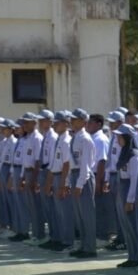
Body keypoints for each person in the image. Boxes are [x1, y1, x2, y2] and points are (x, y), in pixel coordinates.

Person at [67, 108, 98, 259]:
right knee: (79, 215)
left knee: (87, 215)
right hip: (75, 175)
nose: (72, 122)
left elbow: (86, 165)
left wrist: (79, 185)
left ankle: (90, 248)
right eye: (72, 119)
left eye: (75, 119)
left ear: (83, 122)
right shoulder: (75, 137)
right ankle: (83, 245)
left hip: (83, 177)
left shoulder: (85, 139)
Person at [43, 111, 74, 253]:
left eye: (58, 123)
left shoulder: (67, 141)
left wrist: (63, 185)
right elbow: (53, 164)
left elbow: (67, 165)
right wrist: (49, 182)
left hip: (62, 177)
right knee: (58, 213)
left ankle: (68, 241)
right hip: (55, 176)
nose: (55, 125)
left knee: (65, 212)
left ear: (66, 124)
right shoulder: (58, 140)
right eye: (54, 123)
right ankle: (59, 238)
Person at [112, 123, 138, 268]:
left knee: (132, 225)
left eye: (120, 136)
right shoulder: (123, 153)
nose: (117, 139)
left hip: (129, 189)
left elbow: (135, 179)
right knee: (126, 225)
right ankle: (131, 254)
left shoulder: (133, 156)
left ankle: (137, 256)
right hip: (122, 186)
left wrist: (130, 200)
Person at [30, 110, 57, 247]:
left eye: (44, 120)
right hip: (44, 170)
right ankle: (52, 236)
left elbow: (52, 160)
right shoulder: (45, 136)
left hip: (50, 171)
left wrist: (48, 180)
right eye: (40, 120)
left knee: (52, 207)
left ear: (50, 121)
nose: (41, 123)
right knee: (47, 207)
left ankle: (56, 236)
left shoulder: (52, 137)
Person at [88, 114, 113, 243]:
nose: (88, 125)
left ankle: (103, 236)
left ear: (98, 124)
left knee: (101, 208)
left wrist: (98, 182)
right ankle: (98, 234)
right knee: (95, 208)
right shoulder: (92, 138)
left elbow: (102, 161)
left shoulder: (101, 139)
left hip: (99, 176)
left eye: (91, 123)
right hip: (92, 175)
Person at [20, 112, 44, 243]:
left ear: (34, 123)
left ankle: (39, 234)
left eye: (27, 122)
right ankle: (35, 233)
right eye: (24, 122)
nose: (24, 125)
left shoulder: (37, 138)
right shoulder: (28, 138)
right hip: (27, 172)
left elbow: (37, 161)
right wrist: (24, 176)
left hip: (34, 173)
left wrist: (34, 180)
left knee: (36, 206)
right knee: (31, 206)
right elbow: (26, 159)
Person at [104, 111, 126, 251]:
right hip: (112, 175)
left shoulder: (123, 138)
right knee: (116, 210)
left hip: (119, 175)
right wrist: (107, 178)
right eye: (110, 123)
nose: (111, 125)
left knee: (122, 210)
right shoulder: (113, 138)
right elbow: (109, 160)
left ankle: (124, 239)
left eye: (114, 122)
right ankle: (119, 236)